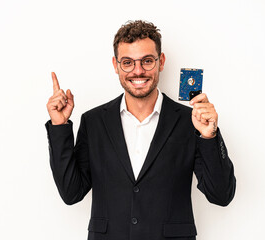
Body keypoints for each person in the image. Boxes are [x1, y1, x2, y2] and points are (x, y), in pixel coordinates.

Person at [45, 20, 236, 240]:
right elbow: (71, 193)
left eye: (147, 61)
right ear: (116, 65)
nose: (138, 71)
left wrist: (209, 136)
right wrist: (59, 126)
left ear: (161, 61)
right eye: (127, 62)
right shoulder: (94, 121)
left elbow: (221, 195)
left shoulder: (189, 121)